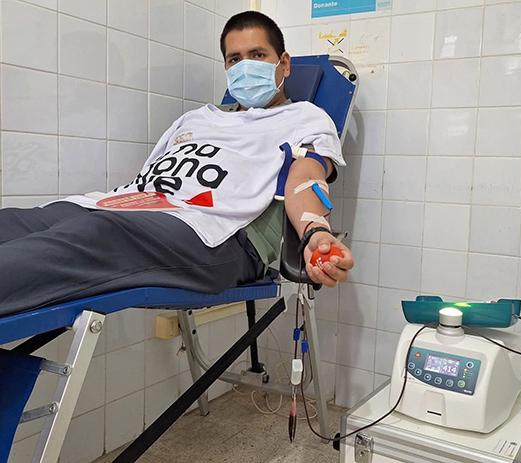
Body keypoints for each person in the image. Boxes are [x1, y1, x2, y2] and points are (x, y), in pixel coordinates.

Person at [0, 11, 354, 318]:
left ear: (284, 64)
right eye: (235, 59)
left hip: (215, 233)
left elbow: (306, 176)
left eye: (258, 55)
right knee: (22, 221)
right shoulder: (196, 118)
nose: (245, 66)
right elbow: (150, 176)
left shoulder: (304, 117)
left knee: (94, 233)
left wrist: (314, 231)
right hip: (140, 209)